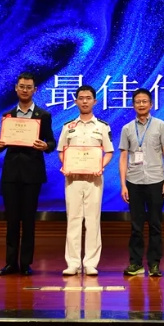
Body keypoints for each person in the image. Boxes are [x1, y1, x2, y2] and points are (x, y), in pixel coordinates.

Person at [0, 73, 56, 276]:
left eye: (29, 87)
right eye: (21, 86)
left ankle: (26, 263)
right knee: (12, 220)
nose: (25, 90)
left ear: (35, 90)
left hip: (32, 174)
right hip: (11, 173)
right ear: (16, 88)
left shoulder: (43, 115)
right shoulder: (8, 115)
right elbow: (1, 145)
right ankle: (10, 263)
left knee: (28, 220)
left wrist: (45, 146)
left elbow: (51, 142)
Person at [57, 85, 114, 276]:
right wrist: (66, 165)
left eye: (88, 98)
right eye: (81, 98)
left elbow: (109, 152)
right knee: (73, 219)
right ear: (75, 101)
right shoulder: (68, 126)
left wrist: (100, 167)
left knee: (92, 220)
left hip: (94, 179)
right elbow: (61, 151)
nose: (84, 101)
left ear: (94, 101)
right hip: (73, 179)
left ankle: (90, 262)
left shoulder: (102, 126)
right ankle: (73, 263)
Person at [119, 88, 164, 278]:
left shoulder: (160, 125)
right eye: (137, 102)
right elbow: (123, 157)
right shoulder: (127, 128)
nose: (141, 104)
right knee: (136, 225)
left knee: (155, 224)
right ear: (133, 105)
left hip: (156, 180)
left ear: (151, 104)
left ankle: (154, 264)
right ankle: (135, 263)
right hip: (133, 181)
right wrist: (123, 185)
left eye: (144, 101)